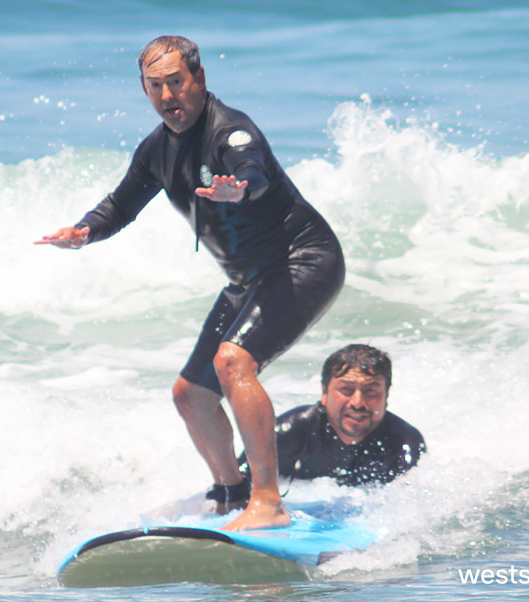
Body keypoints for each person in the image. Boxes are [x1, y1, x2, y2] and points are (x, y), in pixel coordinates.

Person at [35, 36, 345, 530]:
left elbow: (252, 169)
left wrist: (239, 188)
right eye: (155, 86)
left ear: (199, 79)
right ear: (144, 89)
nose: (167, 96)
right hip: (247, 279)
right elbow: (121, 205)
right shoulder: (156, 150)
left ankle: (268, 501)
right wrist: (83, 231)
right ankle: (231, 494)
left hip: (302, 261)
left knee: (233, 361)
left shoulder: (231, 131)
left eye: (176, 82)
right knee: (191, 395)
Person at [239, 344, 425, 487]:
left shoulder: (404, 444)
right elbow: (236, 487)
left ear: (386, 395)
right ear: (324, 393)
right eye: (346, 389)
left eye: (371, 391)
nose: (358, 403)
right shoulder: (288, 434)